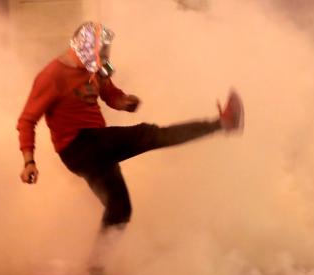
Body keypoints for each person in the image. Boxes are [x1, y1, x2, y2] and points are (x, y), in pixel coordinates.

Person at [17, 22, 245, 242]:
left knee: (120, 209)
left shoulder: (96, 69)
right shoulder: (52, 75)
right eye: (102, 50)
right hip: (78, 145)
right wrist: (29, 161)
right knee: (149, 134)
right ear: (85, 49)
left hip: (97, 146)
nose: (106, 56)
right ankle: (222, 123)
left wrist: (124, 101)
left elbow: (110, 94)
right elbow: (27, 120)